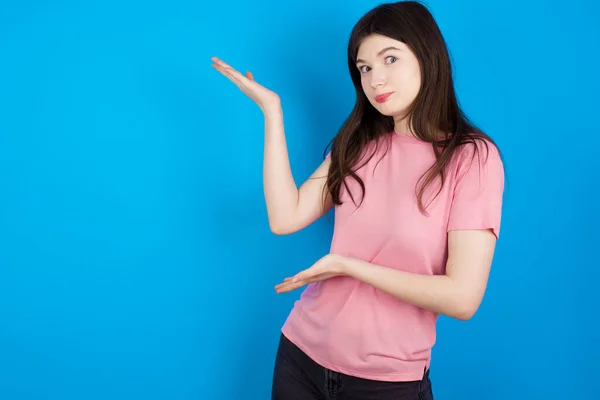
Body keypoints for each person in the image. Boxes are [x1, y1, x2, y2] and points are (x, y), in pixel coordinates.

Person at [211, 1, 504, 398]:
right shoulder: (360, 144)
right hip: (300, 357)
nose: (376, 80)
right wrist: (272, 113)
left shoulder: (471, 157)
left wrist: (350, 266)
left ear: (427, 56)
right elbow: (285, 217)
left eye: (389, 59)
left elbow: (463, 298)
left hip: (386, 383)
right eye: (365, 68)